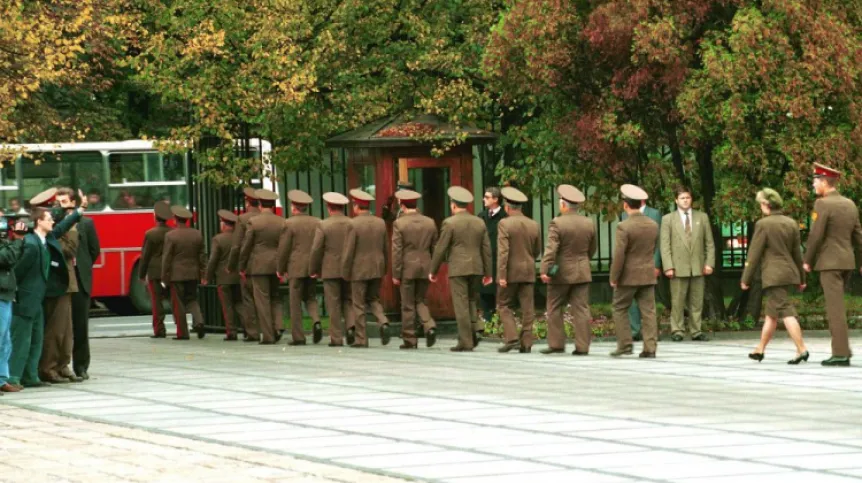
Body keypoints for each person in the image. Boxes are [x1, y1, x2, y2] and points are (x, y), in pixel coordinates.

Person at [8, 188, 84, 388]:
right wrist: (17, 294)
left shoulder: (45, 239)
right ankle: (15, 376)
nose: (52, 221)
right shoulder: (31, 244)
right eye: (49, 218)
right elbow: (18, 272)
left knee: (36, 339)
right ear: (39, 222)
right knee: (21, 340)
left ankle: (31, 376)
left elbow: (62, 226)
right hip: (26, 299)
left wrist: (79, 210)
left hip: (39, 298)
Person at [803, 163, 862, 367]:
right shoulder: (850, 204)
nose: (813, 184)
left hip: (829, 263)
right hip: (846, 262)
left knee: (834, 309)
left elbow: (815, 235)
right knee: (838, 307)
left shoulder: (823, 204)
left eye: (815, 180)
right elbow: (859, 236)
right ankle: (843, 348)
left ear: (825, 182)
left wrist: (807, 260)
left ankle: (840, 353)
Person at [741, 189, 808, 364]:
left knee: (785, 310)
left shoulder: (763, 224)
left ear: (767, 204)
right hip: (788, 272)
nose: (760, 207)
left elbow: (753, 255)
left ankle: (802, 349)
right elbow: (797, 254)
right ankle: (760, 349)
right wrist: (802, 278)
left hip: (773, 275)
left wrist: (745, 279)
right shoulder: (791, 223)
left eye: (761, 203)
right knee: (771, 314)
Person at [430, 186, 492, 352]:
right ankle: (475, 330)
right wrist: (488, 272)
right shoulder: (479, 222)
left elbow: (440, 248)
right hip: (477, 267)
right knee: (472, 300)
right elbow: (486, 248)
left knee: (461, 304)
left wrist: (433, 270)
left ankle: (466, 341)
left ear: (453, 205)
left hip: (458, 268)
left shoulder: (449, 223)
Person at [539, 185, 596, 355]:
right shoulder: (588, 222)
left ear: (563, 204)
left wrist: (545, 269)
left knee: (554, 306)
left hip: (561, 273)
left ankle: (556, 344)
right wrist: (583, 260)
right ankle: (582, 346)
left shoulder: (557, 223)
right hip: (582, 271)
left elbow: (551, 249)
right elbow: (592, 248)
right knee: (582, 309)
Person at [39, 187, 84, 384]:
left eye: (64, 202)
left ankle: (63, 364)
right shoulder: (53, 228)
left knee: (66, 330)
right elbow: (62, 249)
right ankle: (49, 367)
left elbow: (74, 250)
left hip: (67, 281)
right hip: (56, 282)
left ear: (72, 204)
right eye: (57, 202)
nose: (59, 206)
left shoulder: (69, 226)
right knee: (55, 329)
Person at [610, 184, 659, 358]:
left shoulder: (624, 226)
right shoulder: (653, 224)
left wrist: (614, 276)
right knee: (649, 312)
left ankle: (625, 345)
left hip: (628, 276)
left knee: (619, 307)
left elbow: (619, 255)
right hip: (647, 273)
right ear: (641, 203)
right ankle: (650, 348)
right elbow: (653, 248)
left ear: (625, 205)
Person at [660, 186, 715, 342]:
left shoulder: (702, 217)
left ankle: (696, 331)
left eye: (688, 197)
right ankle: (677, 330)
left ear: (692, 199)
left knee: (697, 301)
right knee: (677, 301)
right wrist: (668, 266)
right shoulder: (668, 219)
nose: (685, 200)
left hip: (698, 266)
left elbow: (709, 243)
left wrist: (709, 263)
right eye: (682, 198)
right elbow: (665, 245)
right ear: (676, 200)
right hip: (677, 267)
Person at [496, 187, 542, 354]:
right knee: (528, 308)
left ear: (507, 207)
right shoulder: (533, 224)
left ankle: (512, 338)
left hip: (510, 272)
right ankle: (527, 343)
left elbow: (503, 251)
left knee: (504, 305)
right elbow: (537, 250)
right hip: (528, 270)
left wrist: (502, 275)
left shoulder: (504, 223)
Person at [342, 189, 389, 348]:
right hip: (377, 267)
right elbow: (385, 248)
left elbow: (349, 251)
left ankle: (361, 339)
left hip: (359, 269)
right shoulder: (380, 222)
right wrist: (385, 267)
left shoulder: (353, 224)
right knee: (373, 299)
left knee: (358, 304)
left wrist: (345, 271)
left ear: (356, 206)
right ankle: (383, 321)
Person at [391, 189, 438, 349]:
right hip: (425, 266)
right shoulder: (430, 222)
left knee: (407, 304)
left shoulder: (399, 223)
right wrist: (434, 268)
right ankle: (429, 325)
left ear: (402, 205)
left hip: (407, 268)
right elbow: (435, 247)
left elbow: (397, 251)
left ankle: (410, 339)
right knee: (420, 300)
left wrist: (396, 273)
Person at [239, 189, 284, 344]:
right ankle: (278, 325)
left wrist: (242, 265)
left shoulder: (254, 222)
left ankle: (268, 335)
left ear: (259, 204)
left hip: (258, 266)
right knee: (275, 297)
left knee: (262, 300)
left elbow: (246, 246)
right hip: (276, 264)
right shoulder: (282, 222)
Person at [277, 190, 322, 345]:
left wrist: (280, 268)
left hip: (295, 266)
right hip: (312, 266)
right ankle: (316, 320)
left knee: (294, 301)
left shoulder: (288, 223)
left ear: (294, 206)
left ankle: (298, 336)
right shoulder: (317, 222)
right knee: (311, 297)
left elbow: (284, 249)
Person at [310, 192, 353, 346]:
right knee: (348, 300)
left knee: (333, 303)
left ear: (329, 208)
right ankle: (351, 328)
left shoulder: (323, 225)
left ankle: (336, 337)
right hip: (349, 268)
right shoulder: (351, 223)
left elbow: (316, 249)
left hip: (330, 268)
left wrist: (313, 269)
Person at [621, 197, 662, 341]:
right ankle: (635, 331)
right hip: (631, 269)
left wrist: (656, 264)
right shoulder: (624, 214)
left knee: (648, 305)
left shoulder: (655, 214)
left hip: (648, 265)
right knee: (632, 302)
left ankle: (650, 335)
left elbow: (658, 242)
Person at [162, 206, 205, 340]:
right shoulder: (197, 234)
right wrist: (203, 273)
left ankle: (183, 333)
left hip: (177, 275)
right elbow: (202, 256)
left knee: (178, 303)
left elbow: (167, 258)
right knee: (192, 299)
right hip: (193, 273)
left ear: (175, 219)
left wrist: (164, 277)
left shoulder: (171, 235)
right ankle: (199, 321)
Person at [72, 191, 101, 380]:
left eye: (66, 203)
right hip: (61, 281)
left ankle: (81, 365)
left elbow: (94, 250)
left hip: (80, 279)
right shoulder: (55, 223)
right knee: (60, 328)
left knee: (81, 325)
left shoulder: (86, 223)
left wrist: (82, 266)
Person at [229, 187, 261, 342]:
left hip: (249, 264)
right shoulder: (268, 217)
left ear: (247, 202)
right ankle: (274, 328)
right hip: (270, 265)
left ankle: (253, 332)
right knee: (268, 298)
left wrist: (235, 265)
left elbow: (237, 246)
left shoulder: (243, 219)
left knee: (248, 299)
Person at [0, 211, 26, 394]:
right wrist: (17, 240)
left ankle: (2, 379)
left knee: (5, 341)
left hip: (6, 294)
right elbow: (6, 259)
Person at [139, 201, 174, 338]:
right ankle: (180, 327)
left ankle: (159, 329)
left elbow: (145, 256)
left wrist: (142, 274)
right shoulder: (172, 232)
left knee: (156, 301)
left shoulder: (150, 234)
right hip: (169, 271)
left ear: (155, 216)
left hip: (154, 272)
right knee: (173, 300)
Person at [205, 210, 241, 341]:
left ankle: (231, 331)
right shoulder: (239, 238)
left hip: (223, 277)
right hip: (238, 277)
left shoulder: (218, 239)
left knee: (227, 306)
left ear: (224, 225)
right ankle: (250, 329)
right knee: (240, 304)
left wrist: (207, 276)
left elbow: (213, 260)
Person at [478, 187, 506, 323]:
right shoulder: (481, 216)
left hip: (499, 259)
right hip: (484, 259)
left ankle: (497, 322)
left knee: (499, 293)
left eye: (487, 197)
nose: (484, 199)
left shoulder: (504, 217)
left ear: (496, 199)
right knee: (484, 292)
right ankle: (487, 321)